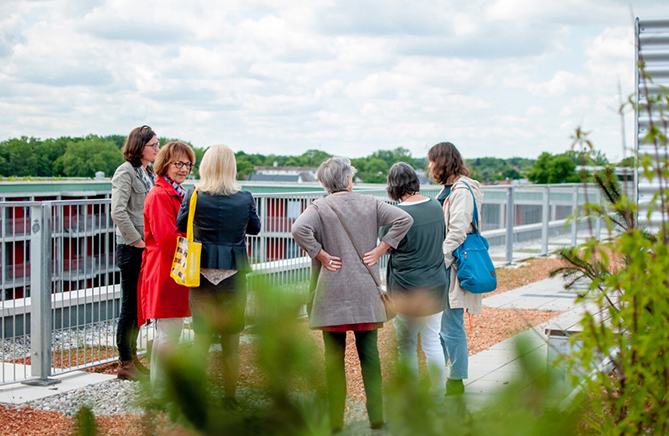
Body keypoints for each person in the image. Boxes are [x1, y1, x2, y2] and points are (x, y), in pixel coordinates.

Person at [291, 157, 413, 431]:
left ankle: (335, 421)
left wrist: (321, 254)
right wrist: (381, 249)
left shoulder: (320, 207)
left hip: (331, 292)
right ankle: (377, 417)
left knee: (333, 361)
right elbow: (404, 218)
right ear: (348, 180)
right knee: (370, 357)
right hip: (364, 292)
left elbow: (298, 229)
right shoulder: (370, 203)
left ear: (325, 183)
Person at [176, 144, 261, 407]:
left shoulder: (194, 194)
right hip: (233, 275)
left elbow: (180, 225)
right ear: (232, 167)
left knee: (201, 338)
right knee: (231, 340)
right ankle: (229, 398)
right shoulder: (245, 197)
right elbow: (255, 229)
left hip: (201, 274)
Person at [380, 162, 448, 398]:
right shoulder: (436, 206)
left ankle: (410, 399)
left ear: (393, 186)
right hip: (436, 285)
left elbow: (386, 249)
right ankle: (439, 397)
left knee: (406, 346)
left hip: (405, 288)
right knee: (432, 342)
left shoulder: (397, 215)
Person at [139, 141, 195, 400]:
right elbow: (166, 237)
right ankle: (161, 391)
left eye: (188, 164)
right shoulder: (161, 195)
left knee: (171, 332)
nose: (184, 169)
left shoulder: (176, 191)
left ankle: (165, 387)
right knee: (168, 334)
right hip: (166, 270)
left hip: (172, 269)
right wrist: (196, 248)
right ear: (166, 164)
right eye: (178, 163)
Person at [427, 141, 484, 396]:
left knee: (451, 324)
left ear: (442, 162)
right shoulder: (452, 188)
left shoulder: (460, 190)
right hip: (448, 262)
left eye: (431, 161)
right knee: (443, 323)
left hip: (451, 264)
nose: (429, 167)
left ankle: (456, 381)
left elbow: (458, 231)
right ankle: (441, 375)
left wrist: (441, 260)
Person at [111, 125, 158, 381]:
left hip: (145, 248)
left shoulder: (147, 171)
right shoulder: (125, 172)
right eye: (153, 145)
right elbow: (118, 212)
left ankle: (132, 360)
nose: (157, 149)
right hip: (132, 249)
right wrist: (138, 242)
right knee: (130, 307)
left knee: (139, 307)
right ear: (139, 146)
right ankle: (125, 363)